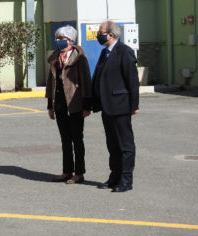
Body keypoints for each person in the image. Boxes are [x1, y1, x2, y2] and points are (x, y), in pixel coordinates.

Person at [92, 21, 139, 193]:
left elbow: (132, 81)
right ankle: (114, 177)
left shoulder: (124, 52)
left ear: (111, 34)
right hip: (107, 107)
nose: (99, 34)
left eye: (101, 32)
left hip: (120, 106)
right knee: (112, 145)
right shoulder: (105, 52)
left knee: (125, 145)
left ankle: (126, 180)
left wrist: (134, 105)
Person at [46, 25, 92, 184]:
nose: (58, 41)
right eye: (57, 38)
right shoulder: (55, 57)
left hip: (75, 103)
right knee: (65, 139)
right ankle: (67, 171)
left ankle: (79, 173)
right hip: (59, 103)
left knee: (77, 139)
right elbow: (50, 83)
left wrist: (87, 105)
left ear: (70, 40)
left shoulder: (79, 57)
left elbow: (86, 81)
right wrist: (50, 106)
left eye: (62, 38)